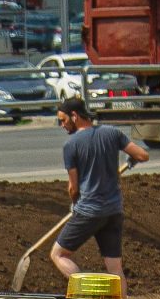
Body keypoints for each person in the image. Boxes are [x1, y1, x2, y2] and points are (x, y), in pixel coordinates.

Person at [51, 97, 148, 284]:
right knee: (115, 268)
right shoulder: (112, 133)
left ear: (74, 116)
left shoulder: (71, 145)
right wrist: (131, 160)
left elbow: (73, 187)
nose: (62, 125)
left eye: (63, 120)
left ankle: (89, 290)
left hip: (89, 211)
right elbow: (142, 155)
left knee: (58, 255)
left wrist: (74, 205)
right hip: (113, 211)